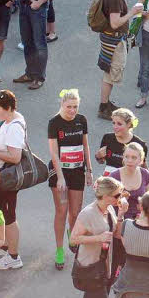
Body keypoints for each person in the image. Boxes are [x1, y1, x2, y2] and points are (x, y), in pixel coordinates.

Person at [70, 176, 125, 298]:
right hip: (90, 267)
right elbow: (73, 239)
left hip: (103, 265)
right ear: (106, 195)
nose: (120, 197)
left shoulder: (109, 208)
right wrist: (97, 238)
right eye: (118, 195)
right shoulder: (87, 214)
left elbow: (114, 233)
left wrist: (122, 214)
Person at [47, 89, 92, 270]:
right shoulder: (54, 123)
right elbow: (53, 152)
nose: (72, 110)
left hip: (78, 171)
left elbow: (86, 146)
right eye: (68, 107)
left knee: (75, 212)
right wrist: (60, 177)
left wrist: (89, 170)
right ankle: (59, 250)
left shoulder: (82, 120)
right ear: (61, 105)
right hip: (60, 173)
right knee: (62, 211)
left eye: (75, 107)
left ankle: (72, 236)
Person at [0, 91, 25, 271]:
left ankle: (14, 257)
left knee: (8, 217)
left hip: (5, 177)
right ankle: (7, 249)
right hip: (1, 175)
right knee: (4, 214)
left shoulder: (15, 126)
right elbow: (5, 141)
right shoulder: (10, 121)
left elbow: (15, 157)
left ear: (8, 108)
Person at [98, 0, 143, 118]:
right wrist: (132, 12)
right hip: (114, 41)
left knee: (109, 72)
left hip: (110, 39)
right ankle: (103, 106)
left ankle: (106, 102)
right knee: (111, 73)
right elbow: (115, 23)